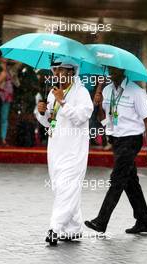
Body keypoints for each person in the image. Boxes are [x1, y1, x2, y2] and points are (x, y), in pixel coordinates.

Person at [85, 66, 147, 234]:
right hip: (116, 140)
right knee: (130, 182)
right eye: (109, 70)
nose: (111, 73)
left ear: (123, 71)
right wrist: (99, 104)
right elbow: (103, 117)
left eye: (114, 70)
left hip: (131, 139)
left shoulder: (136, 92)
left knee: (117, 179)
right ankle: (144, 221)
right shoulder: (107, 90)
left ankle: (101, 221)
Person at [36, 58, 93, 245]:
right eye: (54, 70)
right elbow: (49, 122)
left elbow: (81, 117)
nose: (56, 74)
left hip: (74, 151)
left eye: (60, 70)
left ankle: (55, 228)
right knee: (63, 189)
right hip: (55, 150)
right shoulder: (53, 94)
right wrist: (42, 112)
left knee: (67, 188)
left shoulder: (82, 93)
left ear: (71, 71)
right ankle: (74, 229)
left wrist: (63, 101)